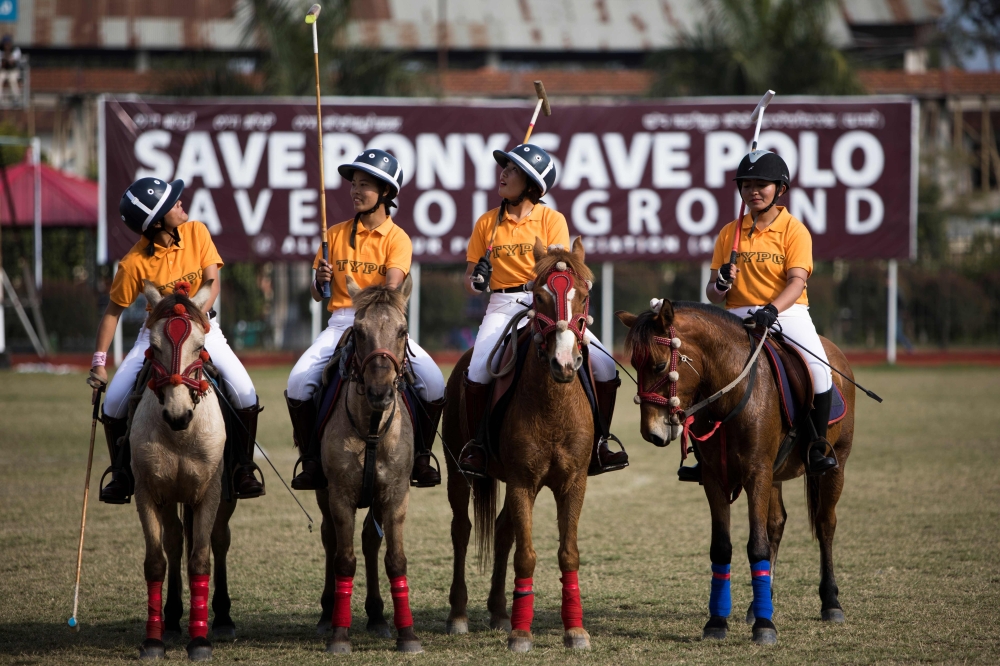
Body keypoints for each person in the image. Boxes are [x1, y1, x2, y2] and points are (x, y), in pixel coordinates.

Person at [87, 177, 264, 503]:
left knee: (246, 392)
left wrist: (192, 319)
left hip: (201, 327)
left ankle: (243, 467)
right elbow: (113, 313)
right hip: (155, 334)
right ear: (155, 222)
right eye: (172, 204)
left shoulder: (197, 232)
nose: (181, 204)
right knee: (113, 402)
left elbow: (213, 283)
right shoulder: (133, 263)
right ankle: (122, 475)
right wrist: (99, 362)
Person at [458, 143, 628, 477]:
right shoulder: (486, 223)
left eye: (512, 170)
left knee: (607, 367)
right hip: (502, 304)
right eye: (504, 168)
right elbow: (468, 280)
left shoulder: (552, 219)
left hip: (548, 302)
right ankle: (477, 447)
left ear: (532, 184)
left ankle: (601, 443)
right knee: (477, 370)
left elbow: (560, 269)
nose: (503, 174)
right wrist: (477, 280)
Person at [286, 149, 446, 490]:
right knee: (299, 383)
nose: (355, 191)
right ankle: (312, 460)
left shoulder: (397, 238)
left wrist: (370, 303)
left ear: (386, 193)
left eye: (365, 185)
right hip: (342, 322)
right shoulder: (334, 235)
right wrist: (321, 281)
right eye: (354, 184)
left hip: (384, 323)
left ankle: (420, 457)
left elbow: (391, 290)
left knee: (433, 384)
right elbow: (317, 294)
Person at [705, 150, 838, 477]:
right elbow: (711, 292)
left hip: (786, 312)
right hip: (735, 314)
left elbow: (797, 282)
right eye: (746, 184)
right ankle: (703, 452)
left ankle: (817, 446)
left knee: (820, 370)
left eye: (761, 184)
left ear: (780, 188)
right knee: (704, 371)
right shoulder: (729, 233)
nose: (753, 190)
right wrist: (720, 283)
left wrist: (772, 310)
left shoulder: (795, 230)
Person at [0, 35, 20, 104]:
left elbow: (12, 62)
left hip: (13, 70)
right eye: (5, 44)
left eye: (8, 43)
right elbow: (2, 65)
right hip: (3, 70)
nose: (7, 45)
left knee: (12, 79)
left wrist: (6, 57)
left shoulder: (16, 50)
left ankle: (16, 98)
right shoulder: (1, 51)